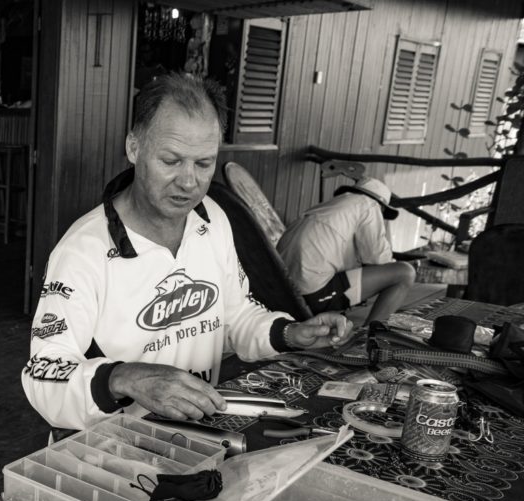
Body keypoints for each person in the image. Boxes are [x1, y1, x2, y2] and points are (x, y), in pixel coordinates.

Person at [21, 72, 350, 431]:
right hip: (105, 458)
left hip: (195, 440)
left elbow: (233, 315)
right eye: (172, 161)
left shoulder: (214, 219)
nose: (189, 181)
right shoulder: (84, 250)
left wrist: (290, 334)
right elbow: (44, 373)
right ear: (134, 148)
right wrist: (124, 378)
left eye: (204, 163)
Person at [276, 176, 416, 324]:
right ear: (381, 206)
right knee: (405, 273)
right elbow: (380, 259)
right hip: (309, 296)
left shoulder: (329, 207)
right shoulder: (369, 205)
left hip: (282, 292)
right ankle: (369, 335)